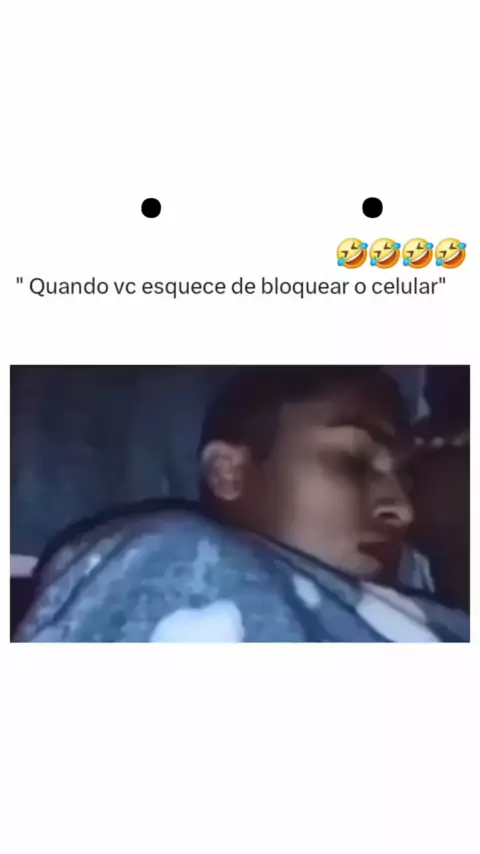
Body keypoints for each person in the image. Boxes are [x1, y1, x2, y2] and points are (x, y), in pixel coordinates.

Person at [15, 367, 469, 643]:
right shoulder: (166, 561)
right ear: (229, 473)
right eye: (354, 461)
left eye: (405, 478)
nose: (404, 510)